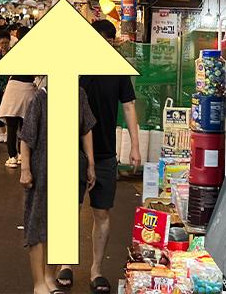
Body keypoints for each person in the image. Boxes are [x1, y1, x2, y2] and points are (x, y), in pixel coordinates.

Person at [58, 19, 142, 294]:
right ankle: (65, 264)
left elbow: (128, 106)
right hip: (71, 149)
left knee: (102, 211)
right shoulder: (75, 67)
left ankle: (96, 269)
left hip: (105, 153)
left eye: (108, 42)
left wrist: (135, 146)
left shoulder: (118, 70)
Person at [20, 77, 97, 294]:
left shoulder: (79, 95)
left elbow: (86, 129)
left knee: (61, 226)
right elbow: (26, 137)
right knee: (37, 224)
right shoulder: (41, 98)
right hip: (42, 169)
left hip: (70, 167)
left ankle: (49, 277)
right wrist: (25, 168)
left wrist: (91, 163)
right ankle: (38, 284)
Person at [0, 25, 35, 168]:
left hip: (13, 89)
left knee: (11, 127)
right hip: (28, 89)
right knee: (24, 126)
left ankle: (12, 157)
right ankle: (21, 155)